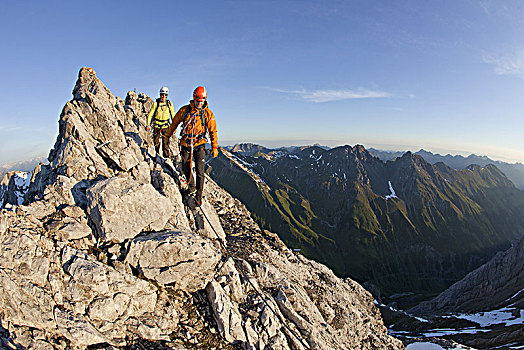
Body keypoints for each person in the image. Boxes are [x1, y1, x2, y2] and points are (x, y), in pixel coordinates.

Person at [165, 86, 218, 205]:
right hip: (186, 143)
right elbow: (174, 123)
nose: (200, 103)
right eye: (198, 101)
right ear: (194, 98)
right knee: (185, 167)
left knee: (200, 171)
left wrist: (214, 147)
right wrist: (167, 135)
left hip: (200, 144)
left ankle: (198, 196)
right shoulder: (185, 111)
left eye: (202, 101)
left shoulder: (207, 114)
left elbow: (212, 131)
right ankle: (192, 186)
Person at [146, 87, 176, 158]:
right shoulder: (156, 104)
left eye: (165, 95)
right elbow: (150, 115)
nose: (163, 96)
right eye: (162, 95)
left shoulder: (169, 104)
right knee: (156, 143)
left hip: (166, 126)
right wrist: (148, 125)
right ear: (160, 95)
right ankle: (157, 157)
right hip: (157, 126)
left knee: (165, 143)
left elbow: (173, 116)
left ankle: (166, 159)